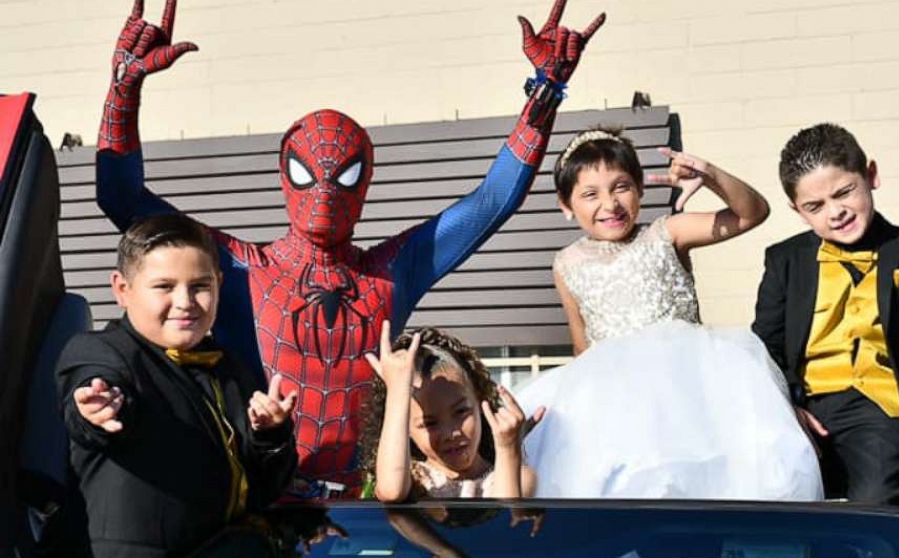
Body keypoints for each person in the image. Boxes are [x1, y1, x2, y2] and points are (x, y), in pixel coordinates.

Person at [93, 0, 604, 499]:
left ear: (365, 184)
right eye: (307, 174)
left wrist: (546, 92)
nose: (324, 192)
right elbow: (123, 200)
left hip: (368, 504)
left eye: (345, 176)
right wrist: (123, 89)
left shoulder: (386, 273)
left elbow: (491, 202)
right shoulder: (240, 269)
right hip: (263, 500)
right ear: (284, 176)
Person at [517, 127, 823, 500]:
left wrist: (710, 176)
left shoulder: (668, 232)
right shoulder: (565, 264)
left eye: (621, 187)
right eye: (590, 195)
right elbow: (583, 347)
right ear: (566, 206)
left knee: (701, 484)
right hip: (615, 403)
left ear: (641, 188)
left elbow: (751, 213)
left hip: (689, 390)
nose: (609, 204)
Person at [55, 214, 298, 557]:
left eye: (200, 286)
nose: (185, 302)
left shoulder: (231, 369)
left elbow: (267, 488)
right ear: (122, 290)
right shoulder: (102, 351)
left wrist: (270, 435)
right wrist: (94, 410)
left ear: (219, 284)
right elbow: (93, 404)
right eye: (164, 286)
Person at [752, 123, 899, 504]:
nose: (835, 213)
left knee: (875, 499)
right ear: (797, 211)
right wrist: (786, 409)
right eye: (815, 206)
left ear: (870, 175)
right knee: (766, 496)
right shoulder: (785, 260)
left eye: (844, 192)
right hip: (804, 409)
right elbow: (764, 350)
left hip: (880, 409)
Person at [360, 322, 541, 501]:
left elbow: (502, 522)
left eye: (461, 412)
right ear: (405, 429)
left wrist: (508, 448)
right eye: (429, 423)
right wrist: (398, 391)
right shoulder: (414, 480)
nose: (451, 433)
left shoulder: (515, 477)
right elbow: (391, 491)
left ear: (480, 400)